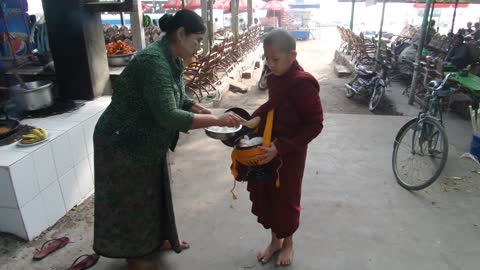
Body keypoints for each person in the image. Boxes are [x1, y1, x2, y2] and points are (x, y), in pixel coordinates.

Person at [93, 10, 242, 270]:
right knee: (133, 199)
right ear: (181, 34)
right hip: (121, 141)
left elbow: (176, 98)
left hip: (146, 141)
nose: (198, 48)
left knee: (152, 194)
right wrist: (218, 120)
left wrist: (198, 107)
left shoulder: (173, 59)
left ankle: (158, 239)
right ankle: (136, 254)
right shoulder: (153, 62)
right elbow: (169, 115)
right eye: (196, 41)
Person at [233, 29, 323, 266]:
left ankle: (289, 243)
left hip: (290, 152)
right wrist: (251, 120)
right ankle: (275, 241)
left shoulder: (303, 84)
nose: (270, 64)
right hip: (267, 146)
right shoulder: (275, 78)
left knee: (286, 198)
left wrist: (282, 147)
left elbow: (315, 125)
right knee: (268, 194)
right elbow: (272, 105)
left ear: (292, 55)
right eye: (267, 58)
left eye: (276, 59)